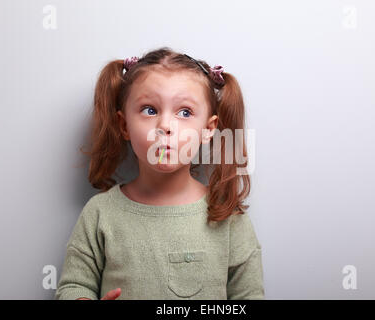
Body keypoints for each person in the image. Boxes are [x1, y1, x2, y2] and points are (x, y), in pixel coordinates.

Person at [54, 47, 264, 300]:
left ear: (208, 129)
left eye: (185, 112)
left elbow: (248, 296)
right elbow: (73, 287)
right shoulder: (100, 213)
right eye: (150, 110)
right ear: (124, 125)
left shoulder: (226, 215)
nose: (165, 126)